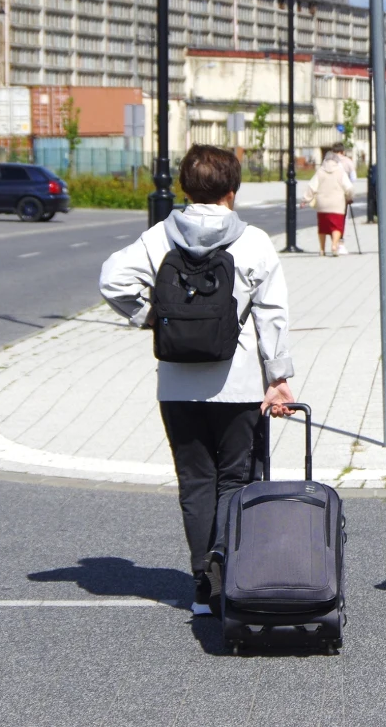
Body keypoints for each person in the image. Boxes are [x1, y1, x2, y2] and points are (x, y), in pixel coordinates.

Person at [99, 145, 295, 616]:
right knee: (236, 481)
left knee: (195, 481)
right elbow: (273, 315)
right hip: (240, 381)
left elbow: (112, 281)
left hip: (177, 383)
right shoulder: (253, 242)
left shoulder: (159, 237)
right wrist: (279, 378)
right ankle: (232, 575)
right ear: (233, 190)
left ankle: (201, 585)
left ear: (185, 188)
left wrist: (154, 318)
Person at [308, 151, 353, 257]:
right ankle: (334, 245)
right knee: (336, 226)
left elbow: (311, 186)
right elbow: (349, 188)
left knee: (322, 227)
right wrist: (349, 197)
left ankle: (322, 249)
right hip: (337, 203)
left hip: (322, 204)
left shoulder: (320, 171)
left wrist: (306, 198)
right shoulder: (340, 172)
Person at [332, 144, 357, 256]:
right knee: (342, 218)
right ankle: (340, 243)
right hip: (343, 194)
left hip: (330, 193)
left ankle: (333, 242)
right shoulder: (348, 162)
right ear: (342, 151)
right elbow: (353, 178)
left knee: (331, 218)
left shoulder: (327, 162)